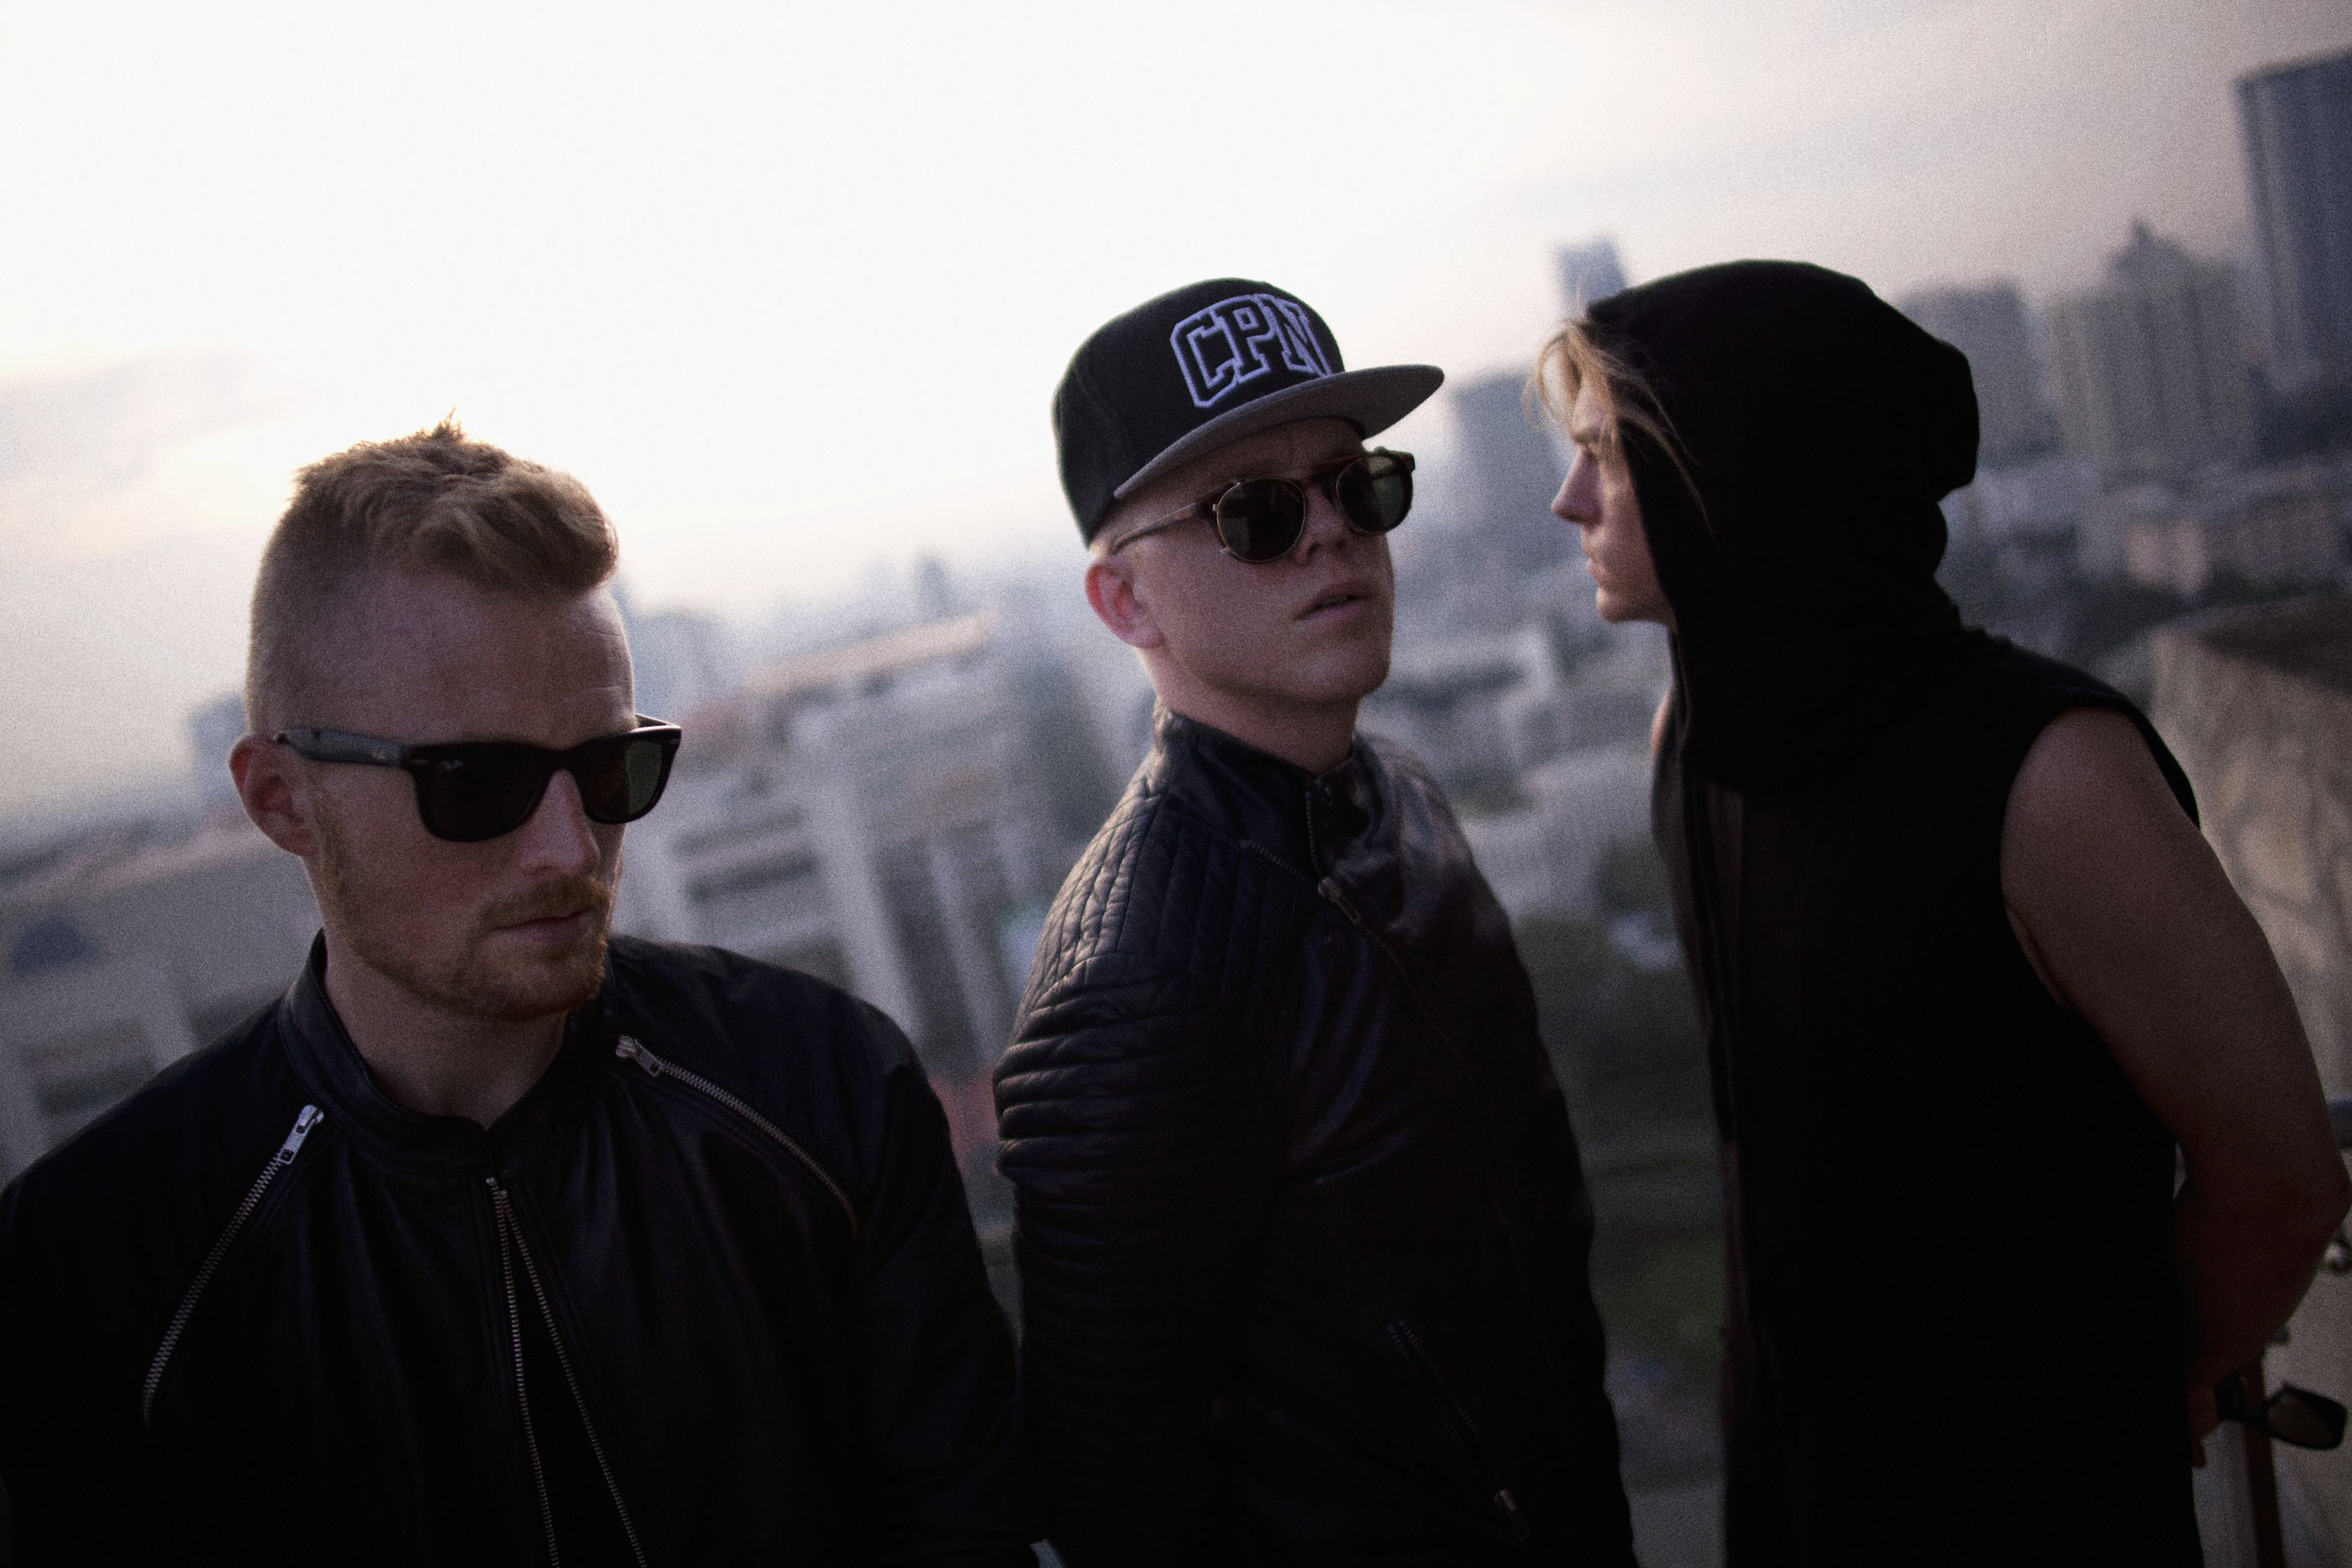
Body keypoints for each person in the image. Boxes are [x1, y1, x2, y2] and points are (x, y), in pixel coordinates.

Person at [0, 422, 1038, 1565]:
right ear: (283, 799)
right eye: (473, 782)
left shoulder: (820, 1089)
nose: (569, 847)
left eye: (609, 768)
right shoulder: (100, 1263)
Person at [1540, 260, 2352, 1564]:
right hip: (1797, 1485)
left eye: (1602, 456)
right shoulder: (1686, 740)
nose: (1568, 499)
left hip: (2037, 1508)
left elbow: (2280, 1179)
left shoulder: (2050, 777)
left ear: (1736, 476)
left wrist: (2143, 1386)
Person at [993, 279, 1633, 1565]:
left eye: (1359, 485)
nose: (1332, 534)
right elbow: (1117, 1493)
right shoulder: (1137, 985)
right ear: (1124, 604)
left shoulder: (1399, 789)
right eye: (1256, 512)